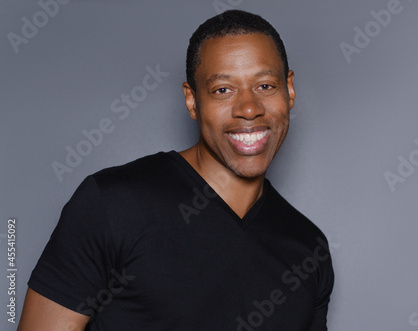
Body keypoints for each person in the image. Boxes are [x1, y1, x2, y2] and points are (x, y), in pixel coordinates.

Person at [18, 9, 334, 330]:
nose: (249, 108)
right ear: (192, 101)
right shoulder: (112, 206)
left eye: (265, 85)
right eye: (223, 90)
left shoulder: (309, 250)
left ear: (289, 90)